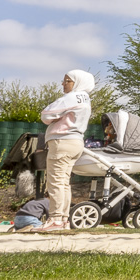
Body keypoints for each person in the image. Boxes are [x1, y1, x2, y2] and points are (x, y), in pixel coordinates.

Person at [33, 69, 95, 232]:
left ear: (78, 82)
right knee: (64, 182)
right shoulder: (86, 99)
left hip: (62, 141)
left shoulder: (72, 97)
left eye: (67, 80)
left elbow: (46, 115)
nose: (63, 83)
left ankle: (55, 219)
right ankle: (63, 219)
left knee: (55, 181)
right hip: (76, 141)